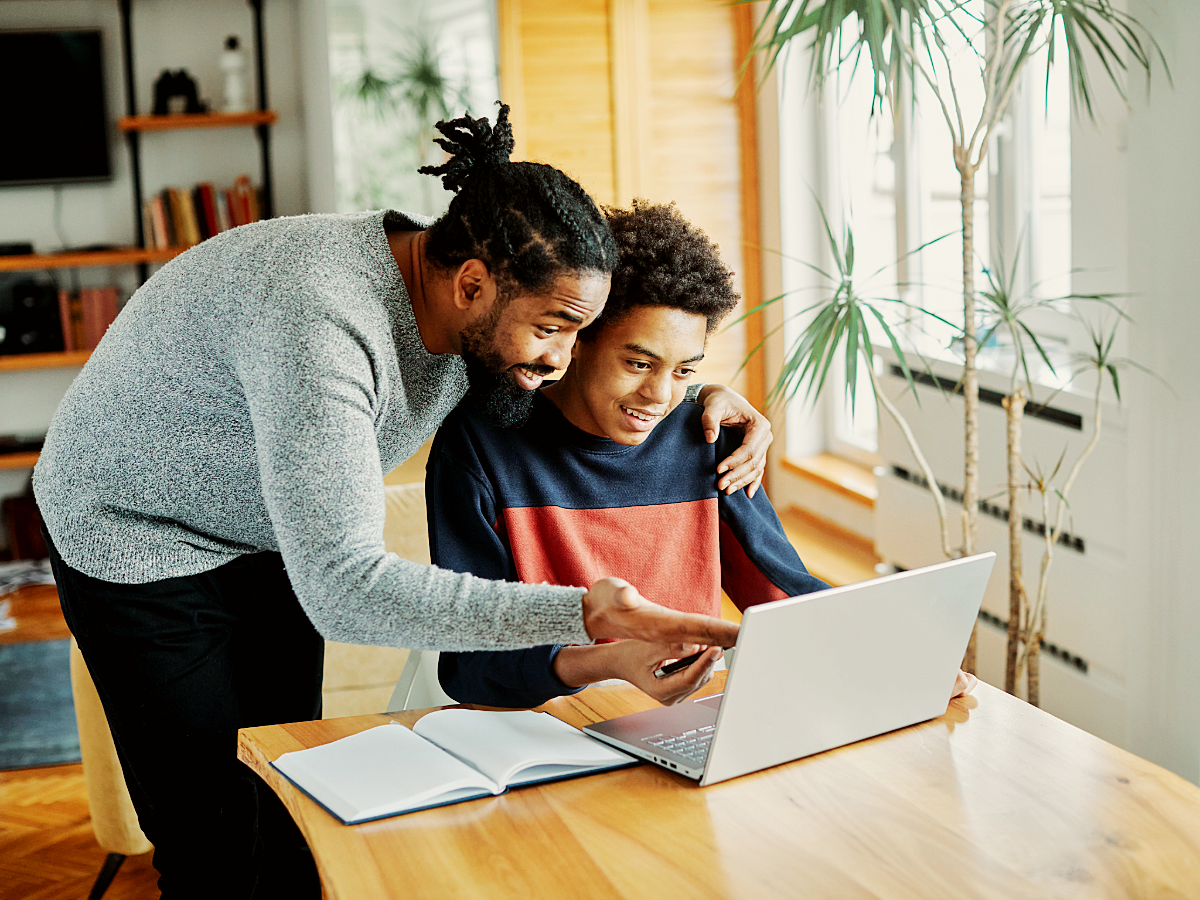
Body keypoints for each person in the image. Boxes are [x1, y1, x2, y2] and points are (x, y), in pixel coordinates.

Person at [31, 107, 765, 899]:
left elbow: (594, 378)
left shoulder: (482, 293)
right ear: (472, 284)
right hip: (136, 532)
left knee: (285, 792)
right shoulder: (323, 318)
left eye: (575, 333)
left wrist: (702, 401)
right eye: (553, 330)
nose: (560, 358)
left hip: (269, 529)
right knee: (210, 838)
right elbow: (344, 591)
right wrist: (584, 614)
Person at [427, 200, 830, 709]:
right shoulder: (481, 445)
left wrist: (890, 658)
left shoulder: (707, 435)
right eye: (639, 363)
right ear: (578, 339)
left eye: (685, 371)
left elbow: (784, 595)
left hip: (685, 724)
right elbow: (471, 666)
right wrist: (612, 661)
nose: (660, 396)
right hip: (545, 727)